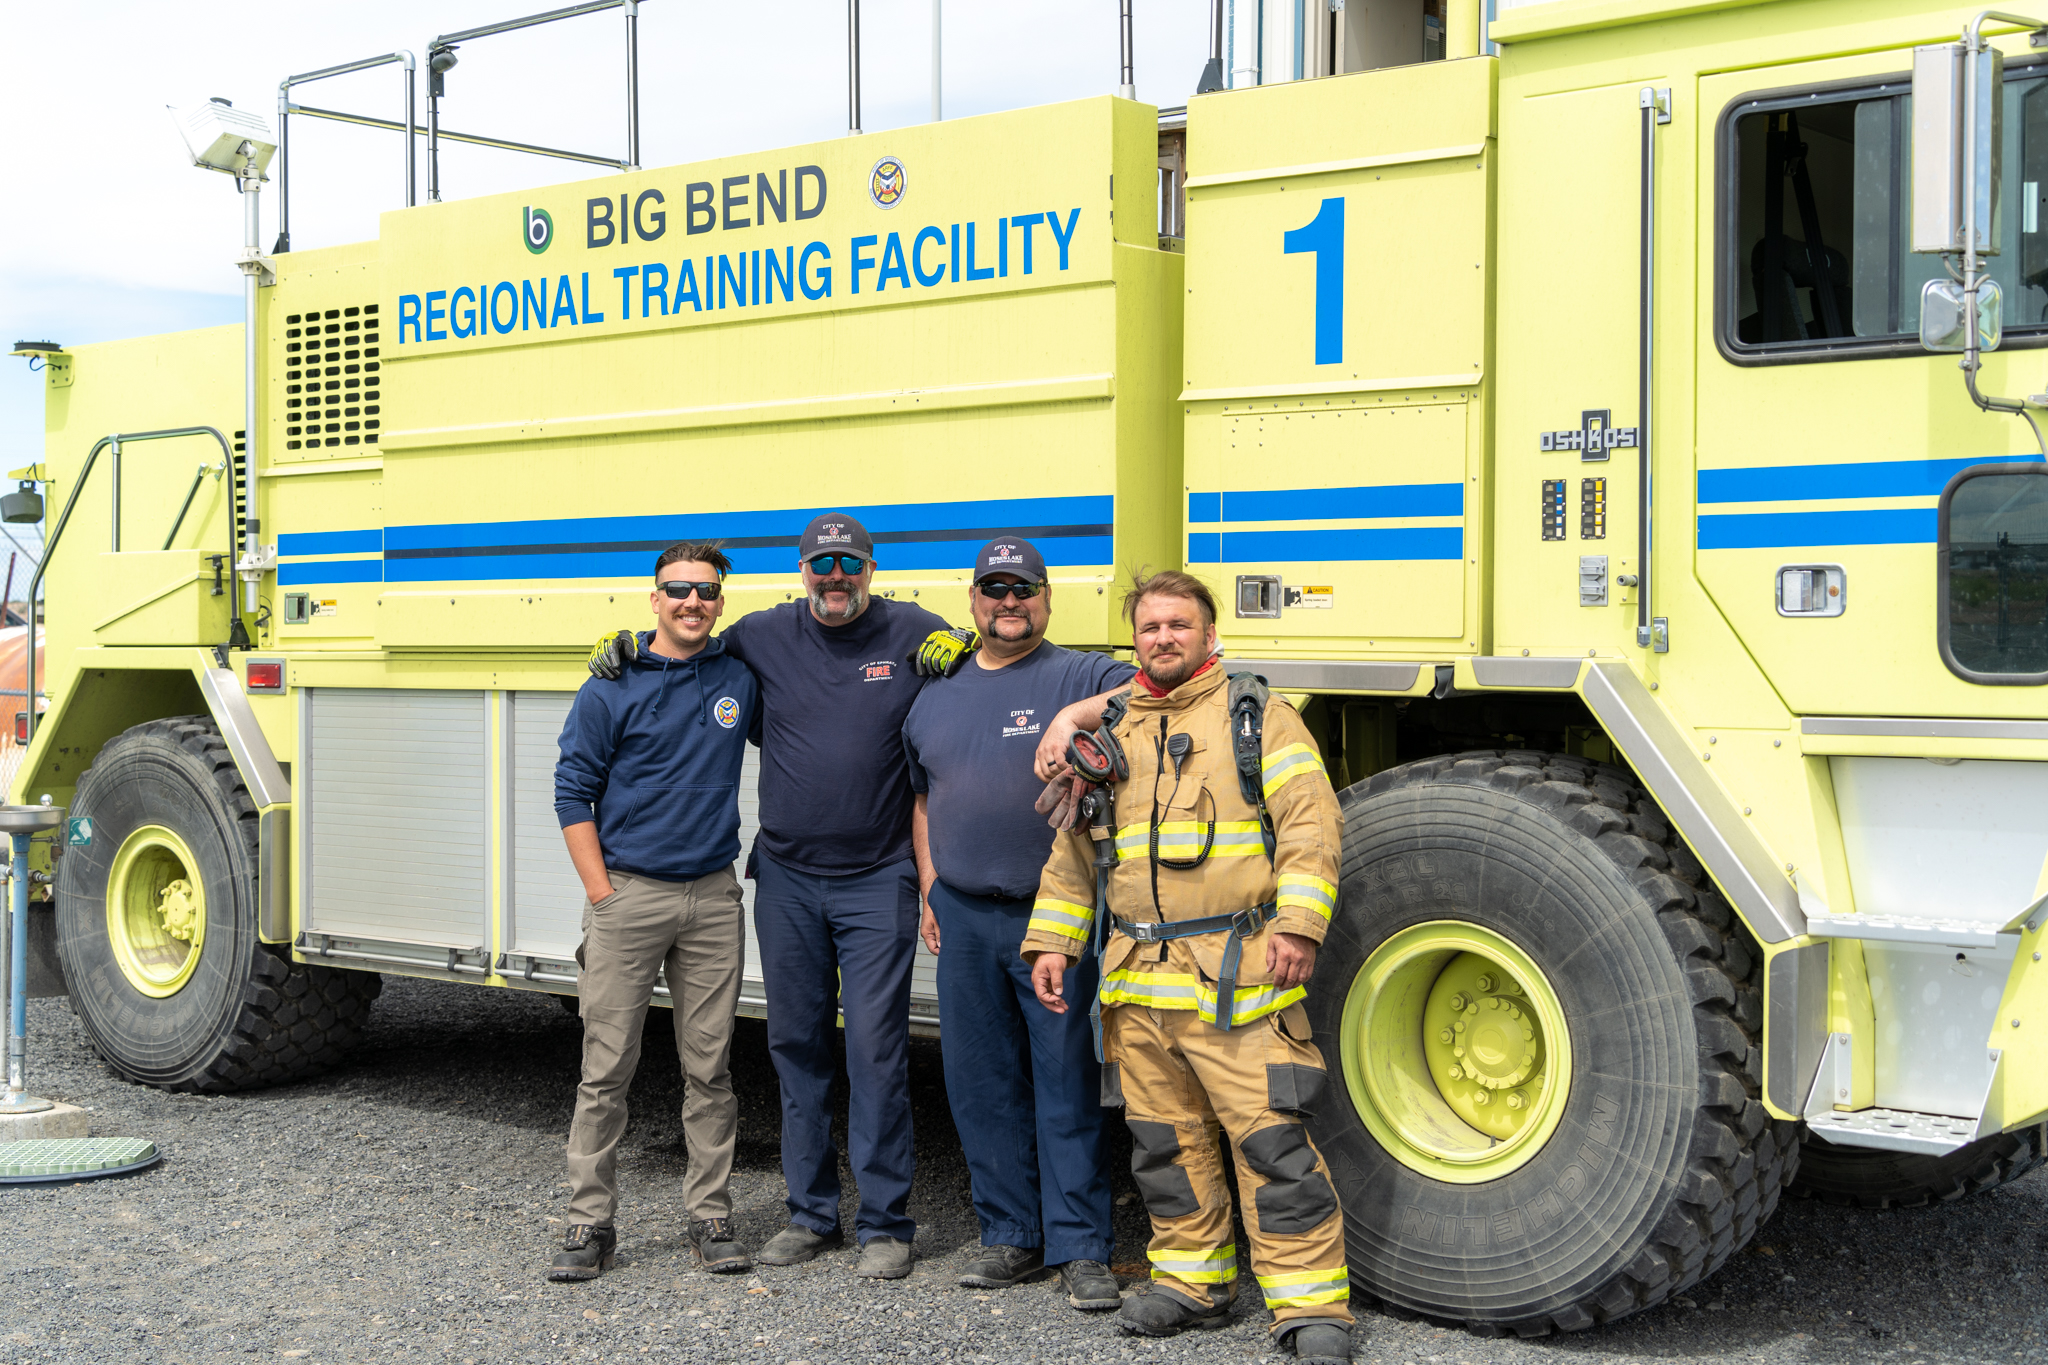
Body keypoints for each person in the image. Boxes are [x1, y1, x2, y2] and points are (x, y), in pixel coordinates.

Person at [588, 513, 952, 1279]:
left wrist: (967, 649)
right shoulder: (761, 634)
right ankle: (811, 1213)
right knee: (795, 1047)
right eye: (822, 565)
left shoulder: (915, 630)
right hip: (785, 877)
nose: (835, 578)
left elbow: (990, 670)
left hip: (878, 876)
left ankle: (886, 1223)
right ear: (802, 570)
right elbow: (685, 647)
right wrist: (624, 646)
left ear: (871, 567)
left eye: (848, 564)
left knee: (877, 1050)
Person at [1019, 571, 1355, 1365]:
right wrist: (1052, 943)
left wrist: (1299, 924)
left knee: (1272, 1145)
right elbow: (1074, 851)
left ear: (1209, 634)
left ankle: (1312, 1303)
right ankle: (1191, 1281)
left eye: (1179, 624)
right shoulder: (1113, 728)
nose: (1163, 637)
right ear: (1134, 639)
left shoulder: (1257, 715)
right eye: (1150, 627)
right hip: (1139, 981)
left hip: (1240, 975)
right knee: (1165, 1147)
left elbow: (1311, 825)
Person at [900, 537, 1136, 1311]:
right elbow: (925, 798)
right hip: (965, 916)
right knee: (980, 1084)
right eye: (995, 589)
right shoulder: (935, 693)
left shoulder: (1079, 673)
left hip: (1053, 922)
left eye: (1023, 588)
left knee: (1065, 1083)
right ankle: (1011, 1234)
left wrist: (1071, 716)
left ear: (1046, 598)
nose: (1010, 602)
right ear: (973, 600)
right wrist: (931, 886)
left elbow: (1154, 687)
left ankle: (1081, 1247)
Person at [548, 542, 761, 1282]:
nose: (692, 602)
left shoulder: (739, 677)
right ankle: (588, 1222)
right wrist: (603, 894)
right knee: (605, 1070)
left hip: (712, 897)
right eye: (678, 589)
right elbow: (572, 790)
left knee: (711, 1069)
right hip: (629, 895)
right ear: (654, 598)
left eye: (705, 590)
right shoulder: (610, 683)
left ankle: (711, 1216)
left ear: (721, 601)